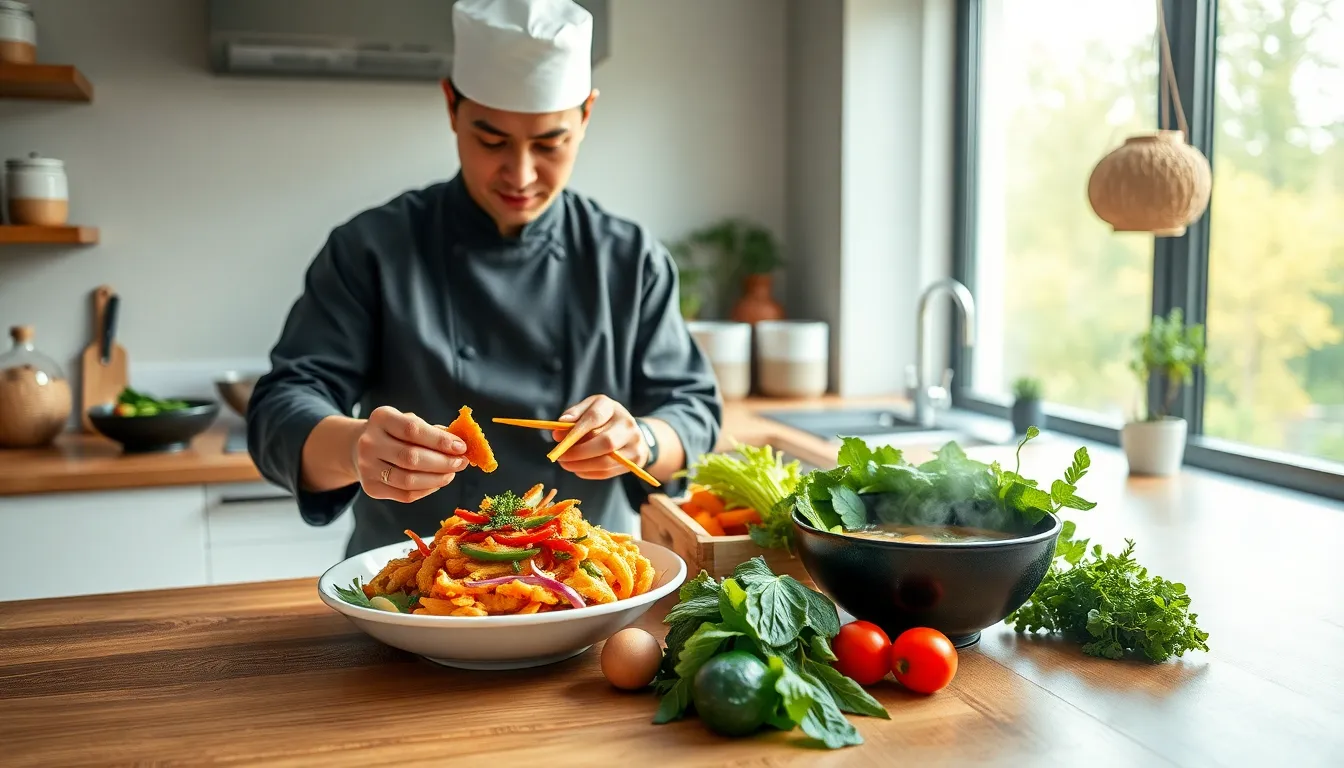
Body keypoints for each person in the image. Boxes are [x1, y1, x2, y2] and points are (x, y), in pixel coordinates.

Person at [246, 0, 723, 557]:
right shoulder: (372, 248)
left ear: (586, 116)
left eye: (550, 143)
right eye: (491, 140)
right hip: (414, 586)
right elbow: (281, 407)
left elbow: (692, 409)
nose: (520, 175)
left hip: (588, 584)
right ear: (451, 106)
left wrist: (639, 440)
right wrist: (356, 447)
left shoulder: (628, 257)